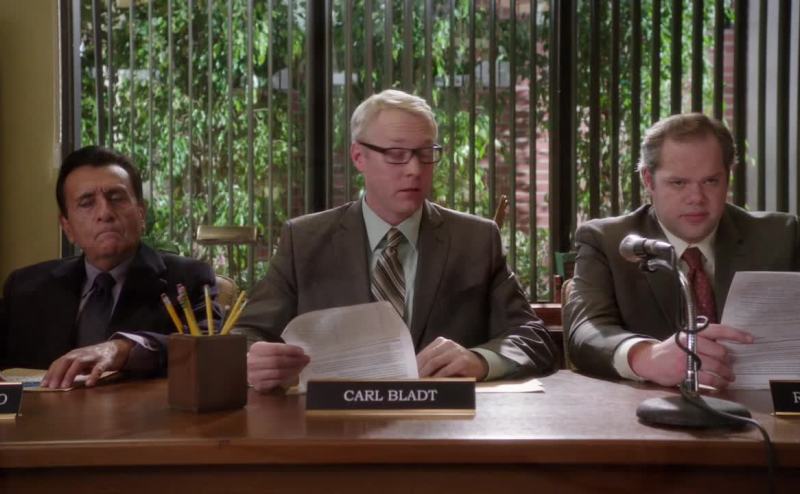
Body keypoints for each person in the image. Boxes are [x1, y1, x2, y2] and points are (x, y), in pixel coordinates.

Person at [235, 89, 557, 391]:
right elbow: (245, 335)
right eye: (397, 154)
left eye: (425, 153)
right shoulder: (305, 241)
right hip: (335, 424)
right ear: (358, 157)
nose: (415, 169)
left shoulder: (475, 240)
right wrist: (252, 361)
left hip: (445, 422)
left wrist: (480, 360)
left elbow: (533, 339)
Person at [564, 113, 800, 388]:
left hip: (765, 406)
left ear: (728, 177)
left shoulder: (781, 236)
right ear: (649, 180)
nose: (696, 198)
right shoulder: (606, 241)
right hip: (651, 407)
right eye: (678, 183)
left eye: (710, 181)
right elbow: (586, 332)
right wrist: (646, 356)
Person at [0, 146, 217, 388]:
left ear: (141, 214)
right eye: (86, 203)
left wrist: (122, 349)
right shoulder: (26, 287)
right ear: (67, 227)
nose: (105, 213)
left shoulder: (187, 279)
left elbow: (211, 350)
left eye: (117, 198)